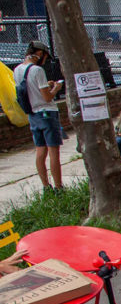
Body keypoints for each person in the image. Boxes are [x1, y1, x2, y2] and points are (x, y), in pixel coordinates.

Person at [13, 41, 64, 193]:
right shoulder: (37, 70)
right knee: (54, 151)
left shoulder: (17, 70)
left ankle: (45, 186)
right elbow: (47, 97)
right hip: (47, 113)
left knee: (40, 151)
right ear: (40, 54)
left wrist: (45, 85)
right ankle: (58, 187)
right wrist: (56, 88)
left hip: (33, 114)